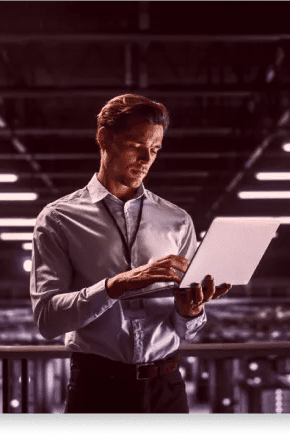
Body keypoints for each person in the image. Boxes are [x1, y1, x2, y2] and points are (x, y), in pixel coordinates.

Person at [29, 94, 231, 414]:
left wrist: (189, 311)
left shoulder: (177, 220)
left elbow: (188, 331)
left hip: (167, 388)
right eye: (135, 145)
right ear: (104, 139)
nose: (146, 158)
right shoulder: (58, 219)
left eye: (154, 149)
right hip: (96, 389)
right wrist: (118, 284)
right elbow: (48, 319)